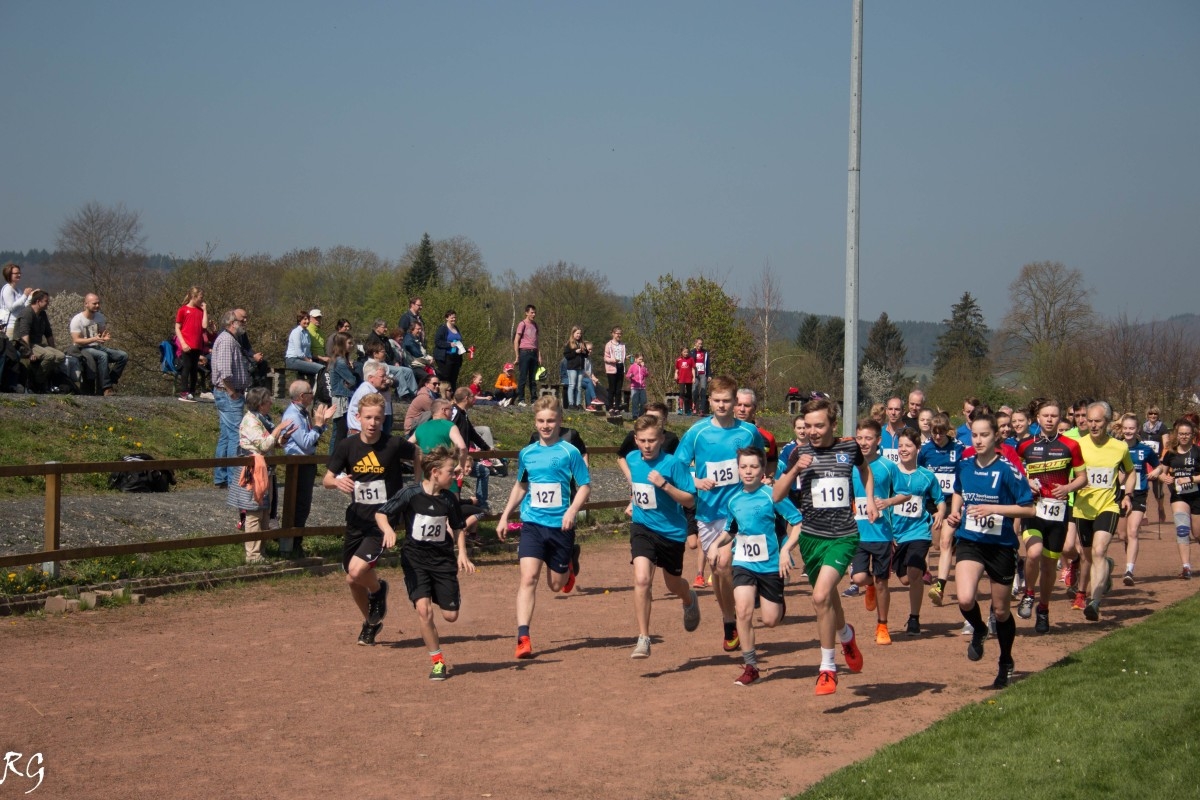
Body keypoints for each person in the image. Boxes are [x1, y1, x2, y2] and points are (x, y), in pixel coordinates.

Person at [773, 396, 875, 695]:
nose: (812, 432)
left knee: (819, 597)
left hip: (843, 536)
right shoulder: (798, 453)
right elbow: (777, 495)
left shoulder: (849, 447)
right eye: (808, 426)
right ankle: (846, 634)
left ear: (833, 425)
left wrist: (869, 500)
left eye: (819, 426)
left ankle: (827, 668)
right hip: (811, 538)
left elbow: (865, 470)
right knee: (828, 597)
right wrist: (794, 471)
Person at [675, 376, 764, 654]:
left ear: (735, 401)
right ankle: (729, 620)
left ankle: (741, 610)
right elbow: (677, 466)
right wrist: (694, 481)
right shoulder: (698, 432)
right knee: (718, 568)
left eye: (727, 400)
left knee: (725, 562)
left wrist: (764, 481)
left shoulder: (748, 432)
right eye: (717, 400)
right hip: (709, 511)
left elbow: (762, 460)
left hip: (739, 510)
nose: (722, 405)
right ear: (709, 401)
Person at [497, 395, 591, 659]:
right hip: (533, 524)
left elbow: (585, 486)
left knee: (555, 585)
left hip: (561, 526)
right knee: (528, 578)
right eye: (541, 421)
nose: (546, 425)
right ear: (535, 421)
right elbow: (521, 486)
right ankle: (523, 637)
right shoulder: (527, 453)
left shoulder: (569, 452)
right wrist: (505, 516)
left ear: (560, 421)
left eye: (551, 421)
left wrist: (572, 510)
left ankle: (569, 562)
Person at [945, 413, 1035, 689]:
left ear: (996, 436)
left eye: (985, 434)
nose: (979, 440)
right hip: (971, 540)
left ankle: (1005, 661)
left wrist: (994, 509)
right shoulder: (965, 465)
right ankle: (980, 629)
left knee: (1001, 610)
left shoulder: (1008, 469)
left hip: (1000, 545)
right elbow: (958, 490)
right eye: (975, 435)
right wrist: (955, 511)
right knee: (965, 599)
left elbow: (1029, 508)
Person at [324, 392, 420, 646]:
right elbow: (326, 479)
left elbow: (419, 453)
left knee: (357, 571)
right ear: (358, 417)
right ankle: (371, 622)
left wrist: (417, 486)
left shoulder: (394, 444)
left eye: (378, 418)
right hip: (356, 519)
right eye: (368, 417)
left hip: (382, 520)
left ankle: (377, 590)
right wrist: (337, 481)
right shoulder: (347, 446)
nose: (373, 422)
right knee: (351, 579)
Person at [374, 446, 475, 680]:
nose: (456, 475)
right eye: (452, 471)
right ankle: (437, 661)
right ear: (435, 472)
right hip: (414, 560)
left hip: (442, 561)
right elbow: (381, 513)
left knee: (451, 615)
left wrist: (462, 554)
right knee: (424, 610)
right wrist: (388, 530)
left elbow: (459, 527)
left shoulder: (449, 499)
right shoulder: (410, 494)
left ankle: (445, 597)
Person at [710, 446, 802, 685]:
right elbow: (731, 530)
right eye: (743, 467)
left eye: (753, 466)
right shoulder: (734, 499)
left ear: (762, 469)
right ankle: (751, 666)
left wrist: (785, 550)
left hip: (771, 565)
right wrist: (715, 544)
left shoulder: (773, 496)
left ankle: (778, 603)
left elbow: (798, 523)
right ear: (738, 469)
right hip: (743, 562)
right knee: (742, 611)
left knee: (771, 620)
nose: (748, 471)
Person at [624, 415, 701, 659]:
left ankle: (689, 598)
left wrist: (665, 485)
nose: (647, 445)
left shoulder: (673, 464)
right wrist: (632, 502)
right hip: (642, 528)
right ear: (635, 440)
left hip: (671, 532)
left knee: (673, 584)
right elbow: (639, 489)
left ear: (662, 439)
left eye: (652, 441)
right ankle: (643, 638)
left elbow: (690, 500)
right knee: (642, 579)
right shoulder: (632, 458)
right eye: (643, 440)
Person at [1014, 400, 1085, 633]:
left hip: (1057, 511)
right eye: (1045, 415)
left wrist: (1068, 488)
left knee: (1048, 564)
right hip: (1033, 509)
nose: (1050, 419)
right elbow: (1013, 472)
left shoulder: (1070, 445)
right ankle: (1028, 594)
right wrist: (1026, 482)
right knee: (1033, 553)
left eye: (1054, 416)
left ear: (1060, 418)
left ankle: (1043, 610)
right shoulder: (1024, 445)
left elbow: (1083, 477)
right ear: (1038, 418)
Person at [845, 419, 908, 645]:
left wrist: (888, 502)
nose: (863, 443)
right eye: (859, 438)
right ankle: (868, 585)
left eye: (868, 438)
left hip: (882, 532)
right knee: (859, 577)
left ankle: (882, 625)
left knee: (883, 582)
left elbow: (905, 494)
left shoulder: (888, 467)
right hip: (857, 532)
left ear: (878, 440)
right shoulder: (850, 466)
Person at [1073, 401, 1136, 621]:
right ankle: (1106, 570)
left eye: (1097, 421)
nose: (1092, 425)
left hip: (1108, 506)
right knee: (1088, 556)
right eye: (1089, 421)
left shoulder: (1119, 447)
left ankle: (1095, 602)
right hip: (1082, 508)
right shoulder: (1077, 445)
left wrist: (1127, 495)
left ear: (1107, 422)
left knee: (1099, 551)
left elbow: (1131, 472)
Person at [228, 386, 295, 563]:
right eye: (268, 401)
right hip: (253, 472)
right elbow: (264, 445)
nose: (271, 403)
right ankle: (252, 554)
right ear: (260, 404)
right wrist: (278, 429)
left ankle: (261, 552)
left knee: (266, 512)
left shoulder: (263, 419)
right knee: (254, 513)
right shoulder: (250, 421)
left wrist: (284, 437)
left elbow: (272, 443)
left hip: (267, 471)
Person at [892, 427, 946, 636]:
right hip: (896, 533)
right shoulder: (890, 472)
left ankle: (914, 618)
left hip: (919, 531)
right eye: (901, 446)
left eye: (908, 446)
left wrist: (940, 513)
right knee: (905, 579)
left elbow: (940, 500)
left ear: (918, 448)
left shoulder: (926, 476)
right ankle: (916, 568)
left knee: (914, 573)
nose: (903, 450)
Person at [281, 379, 335, 557]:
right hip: (298, 464)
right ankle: (292, 543)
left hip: (306, 462)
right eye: (311, 394)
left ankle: (297, 542)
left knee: (304, 505)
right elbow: (305, 442)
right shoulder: (293, 415)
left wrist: (322, 423)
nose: (313, 396)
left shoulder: (302, 412)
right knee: (298, 505)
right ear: (302, 396)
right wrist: (319, 426)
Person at [920, 412, 966, 606]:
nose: (937, 437)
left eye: (941, 433)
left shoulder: (959, 449)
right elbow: (918, 473)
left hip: (950, 501)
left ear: (948, 431)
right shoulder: (925, 450)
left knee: (945, 542)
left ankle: (939, 587)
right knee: (936, 544)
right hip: (931, 502)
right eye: (934, 433)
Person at [1117, 412, 1163, 585]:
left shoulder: (1144, 449)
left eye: (1132, 428)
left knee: (1133, 530)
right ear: (1121, 429)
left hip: (1139, 493)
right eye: (1126, 428)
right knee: (1122, 535)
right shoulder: (1115, 447)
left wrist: (1155, 473)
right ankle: (1129, 554)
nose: (1128, 431)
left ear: (1137, 430)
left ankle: (1129, 570)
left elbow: (1159, 466)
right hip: (1119, 493)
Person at [210, 309, 252, 488]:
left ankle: (221, 477)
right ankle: (233, 478)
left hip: (227, 393)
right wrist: (232, 392)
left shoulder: (229, 340)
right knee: (236, 435)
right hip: (229, 394)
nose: (244, 323)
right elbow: (225, 371)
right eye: (241, 321)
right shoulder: (227, 341)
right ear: (232, 322)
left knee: (226, 436)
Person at [1157, 417, 1200, 580]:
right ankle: (1186, 567)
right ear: (1177, 435)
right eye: (1181, 434)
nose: (1184, 436)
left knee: (1197, 533)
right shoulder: (1171, 453)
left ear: (1192, 435)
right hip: (1179, 496)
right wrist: (1164, 478)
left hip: (1196, 495)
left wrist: (1190, 479)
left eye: (1187, 434)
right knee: (1182, 529)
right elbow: (1163, 471)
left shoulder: (1197, 452)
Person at [68, 293, 128, 396]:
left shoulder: (100, 317)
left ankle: (110, 380)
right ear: (86, 304)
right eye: (94, 303)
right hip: (83, 348)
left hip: (97, 347)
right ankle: (106, 388)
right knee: (102, 356)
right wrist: (94, 339)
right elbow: (76, 340)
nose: (97, 306)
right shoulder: (77, 320)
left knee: (123, 356)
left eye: (98, 303)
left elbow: (101, 334)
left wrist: (104, 337)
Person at [13, 290, 65, 392]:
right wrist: (29, 352)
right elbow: (24, 334)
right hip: (24, 344)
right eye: (46, 301)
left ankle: (38, 375)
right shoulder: (27, 313)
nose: (48, 304)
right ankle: (37, 382)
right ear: (38, 301)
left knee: (60, 356)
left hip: (37, 344)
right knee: (49, 356)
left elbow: (48, 333)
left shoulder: (42, 314)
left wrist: (53, 348)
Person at [326, 332, 358, 455]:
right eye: (349, 343)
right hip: (341, 398)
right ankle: (333, 459)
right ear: (341, 344)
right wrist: (350, 378)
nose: (352, 345)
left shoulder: (341, 360)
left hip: (343, 397)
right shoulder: (339, 362)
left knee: (340, 431)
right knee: (340, 431)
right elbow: (352, 380)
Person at [174, 287, 207, 402]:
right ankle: (184, 391)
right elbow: (177, 328)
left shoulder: (200, 311)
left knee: (194, 369)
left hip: (197, 345)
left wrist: (205, 310)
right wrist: (183, 343)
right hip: (187, 344)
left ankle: (192, 392)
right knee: (186, 367)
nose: (202, 300)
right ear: (194, 297)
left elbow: (204, 326)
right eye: (200, 297)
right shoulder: (183, 310)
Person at [348, 361, 391, 436]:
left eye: (385, 376)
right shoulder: (366, 392)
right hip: (362, 437)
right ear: (371, 378)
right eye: (382, 376)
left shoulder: (371, 390)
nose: (385, 379)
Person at [1142, 406, 1168, 522]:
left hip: (1156, 461)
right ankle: (1144, 515)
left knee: (1157, 491)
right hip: (1144, 461)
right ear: (1147, 415)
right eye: (1151, 414)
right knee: (1143, 489)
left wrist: (1162, 458)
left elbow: (1166, 445)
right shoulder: (1141, 428)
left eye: (1155, 414)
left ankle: (1161, 508)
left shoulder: (1162, 427)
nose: (1153, 416)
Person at [433, 309, 467, 395]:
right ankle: (442, 395)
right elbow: (438, 341)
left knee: (454, 378)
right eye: (451, 318)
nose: (453, 319)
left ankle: (452, 396)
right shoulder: (443, 329)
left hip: (456, 357)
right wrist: (449, 344)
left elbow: (459, 343)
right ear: (447, 318)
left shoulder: (456, 328)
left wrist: (466, 350)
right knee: (445, 378)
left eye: (455, 317)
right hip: (445, 357)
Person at [513, 304, 541, 406]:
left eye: (534, 312)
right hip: (524, 352)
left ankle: (534, 400)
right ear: (526, 313)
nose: (533, 314)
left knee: (533, 378)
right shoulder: (522, 324)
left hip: (534, 352)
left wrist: (539, 355)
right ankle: (521, 399)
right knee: (523, 376)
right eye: (531, 312)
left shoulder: (535, 325)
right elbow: (516, 340)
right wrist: (517, 355)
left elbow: (537, 341)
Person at [1, 262, 36, 334]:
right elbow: (11, 307)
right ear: (9, 274)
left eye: (19, 273)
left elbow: (23, 307)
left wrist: (30, 296)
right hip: (9, 325)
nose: (19, 275)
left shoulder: (18, 290)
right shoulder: (8, 289)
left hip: (17, 324)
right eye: (16, 273)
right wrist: (25, 295)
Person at [285, 311, 323, 377]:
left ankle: (313, 387)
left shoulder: (307, 332)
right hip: (293, 360)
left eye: (308, 319)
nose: (307, 321)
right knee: (322, 369)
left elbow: (307, 350)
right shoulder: (296, 332)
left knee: (315, 373)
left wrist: (310, 358)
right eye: (305, 319)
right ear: (299, 321)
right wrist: (308, 361)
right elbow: (298, 352)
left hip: (302, 360)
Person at [403, 372, 441, 437]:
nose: (437, 386)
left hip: (420, 427)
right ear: (426, 384)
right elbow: (437, 413)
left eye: (438, 384)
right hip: (412, 431)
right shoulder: (424, 397)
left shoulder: (433, 396)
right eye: (434, 384)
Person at [603, 326, 627, 413]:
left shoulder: (623, 345)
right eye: (617, 333)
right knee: (612, 388)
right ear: (613, 334)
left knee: (618, 389)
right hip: (612, 368)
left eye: (620, 333)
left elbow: (622, 356)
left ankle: (617, 406)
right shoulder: (608, 345)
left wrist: (625, 358)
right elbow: (605, 358)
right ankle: (610, 406)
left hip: (621, 367)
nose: (619, 335)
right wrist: (613, 360)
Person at [563, 326, 587, 409]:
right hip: (572, 368)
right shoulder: (569, 344)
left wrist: (584, 351)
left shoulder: (582, 343)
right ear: (573, 334)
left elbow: (586, 355)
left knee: (579, 386)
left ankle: (578, 403)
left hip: (580, 368)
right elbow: (567, 355)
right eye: (577, 333)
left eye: (580, 333)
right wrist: (575, 352)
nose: (579, 335)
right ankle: (571, 403)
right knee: (572, 385)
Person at [880, 397, 905, 464]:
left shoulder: (909, 434)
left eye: (897, 409)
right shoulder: (879, 433)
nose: (893, 412)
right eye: (890, 409)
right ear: (886, 411)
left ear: (903, 412)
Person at [690, 338, 710, 415]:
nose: (700, 345)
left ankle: (702, 410)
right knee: (694, 390)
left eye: (701, 344)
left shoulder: (705, 352)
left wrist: (709, 375)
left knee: (703, 391)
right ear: (695, 344)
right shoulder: (692, 352)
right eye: (699, 343)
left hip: (703, 374)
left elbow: (708, 364)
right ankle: (694, 407)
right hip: (695, 374)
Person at [674, 346, 695, 416]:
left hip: (689, 379)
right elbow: (677, 369)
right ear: (681, 352)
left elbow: (693, 369)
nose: (686, 353)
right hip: (681, 379)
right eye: (684, 352)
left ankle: (689, 409)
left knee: (689, 394)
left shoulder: (691, 359)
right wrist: (676, 375)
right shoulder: (678, 360)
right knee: (681, 393)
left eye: (687, 352)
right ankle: (680, 408)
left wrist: (694, 377)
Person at [627, 353, 648, 419]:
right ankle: (635, 415)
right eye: (639, 359)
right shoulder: (632, 366)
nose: (641, 361)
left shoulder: (643, 367)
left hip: (642, 387)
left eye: (642, 359)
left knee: (643, 401)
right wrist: (631, 375)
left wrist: (644, 367)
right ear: (635, 359)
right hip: (634, 387)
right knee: (635, 402)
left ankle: (641, 414)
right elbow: (627, 375)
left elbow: (646, 374)